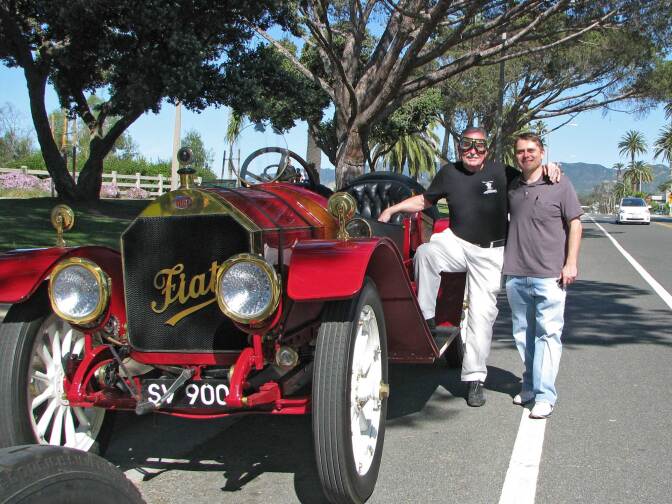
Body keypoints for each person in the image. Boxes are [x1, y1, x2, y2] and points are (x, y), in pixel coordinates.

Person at [378, 127, 559, 407]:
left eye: (479, 146)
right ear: (459, 147)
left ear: (487, 149)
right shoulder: (449, 173)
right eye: (467, 146)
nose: (472, 151)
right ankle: (426, 319)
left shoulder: (503, 172)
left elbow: (531, 176)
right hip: (456, 242)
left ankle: (474, 378)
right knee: (426, 252)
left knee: (481, 315)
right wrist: (392, 209)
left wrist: (550, 168)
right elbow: (425, 200)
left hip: (491, 253)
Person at [504, 133, 582, 419]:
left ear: (542, 152)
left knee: (548, 335)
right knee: (524, 335)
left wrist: (570, 263)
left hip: (550, 275)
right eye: (521, 151)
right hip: (516, 274)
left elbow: (575, 224)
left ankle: (545, 394)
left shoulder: (559, 183)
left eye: (531, 150)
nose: (526, 155)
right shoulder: (512, 187)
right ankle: (529, 385)